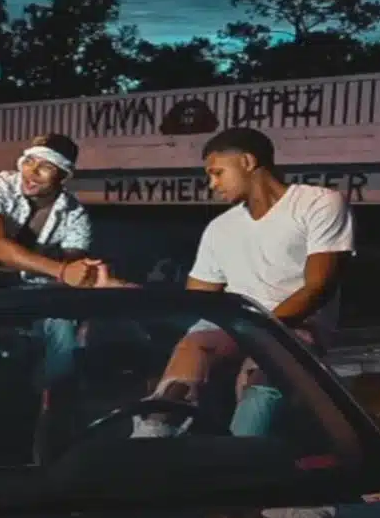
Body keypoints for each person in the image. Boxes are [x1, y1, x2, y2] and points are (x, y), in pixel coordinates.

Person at [134, 126, 355, 438]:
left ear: (248, 162)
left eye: (217, 173)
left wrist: (259, 332)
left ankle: (239, 454)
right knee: (192, 348)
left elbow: (318, 287)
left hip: (294, 326)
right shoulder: (220, 227)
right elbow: (197, 297)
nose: (212, 184)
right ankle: (151, 437)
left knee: (262, 384)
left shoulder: (318, 203)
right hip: (237, 324)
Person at [0, 133, 118, 385]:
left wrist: (85, 276)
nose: (32, 172)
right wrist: (62, 271)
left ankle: (47, 395)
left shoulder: (74, 214)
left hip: (28, 297)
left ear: (64, 175)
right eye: (29, 161)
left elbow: (75, 270)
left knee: (62, 331)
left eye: (46, 166)